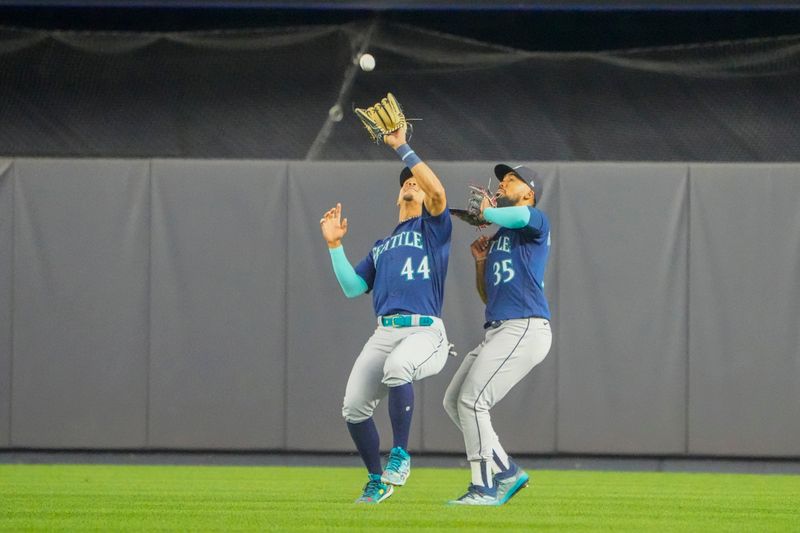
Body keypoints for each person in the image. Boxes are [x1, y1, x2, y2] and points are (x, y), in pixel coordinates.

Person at [319, 125, 452, 504]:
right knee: (354, 408)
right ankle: (377, 481)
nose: (411, 183)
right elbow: (351, 287)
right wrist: (334, 246)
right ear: (398, 193)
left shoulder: (433, 229)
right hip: (385, 332)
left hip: (425, 332)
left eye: (417, 181)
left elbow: (439, 192)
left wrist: (402, 146)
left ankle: (401, 454)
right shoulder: (382, 246)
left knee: (398, 367)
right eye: (406, 181)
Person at [443, 164, 552, 506]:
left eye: (511, 181)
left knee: (474, 402)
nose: (503, 185)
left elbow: (519, 218)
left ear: (529, 193)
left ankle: (483, 487)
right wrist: (480, 263)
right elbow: (489, 295)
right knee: (454, 401)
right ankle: (506, 471)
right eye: (502, 181)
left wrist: (489, 210)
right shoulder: (500, 237)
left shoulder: (534, 220)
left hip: (525, 326)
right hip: (500, 328)